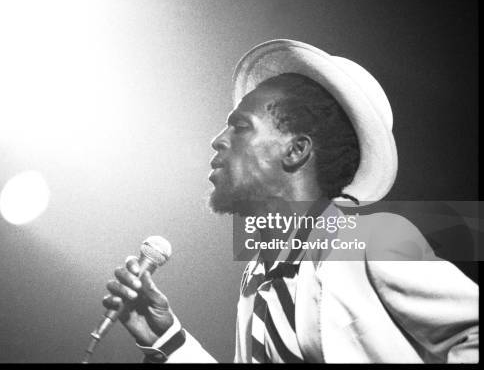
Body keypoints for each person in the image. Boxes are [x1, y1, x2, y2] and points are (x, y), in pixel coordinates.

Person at [102, 40, 479, 363]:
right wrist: (168, 340)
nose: (218, 140)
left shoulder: (370, 239)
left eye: (240, 126)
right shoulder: (258, 274)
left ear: (296, 150)